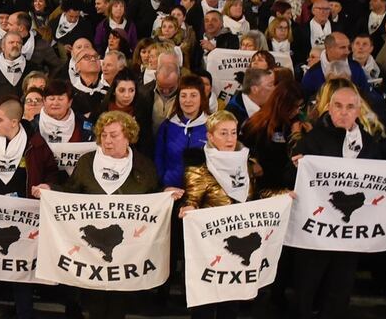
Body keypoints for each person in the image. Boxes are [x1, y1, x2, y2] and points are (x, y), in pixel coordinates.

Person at [34, 111, 183, 319]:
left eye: (114, 135)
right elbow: (71, 192)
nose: (107, 140)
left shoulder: (143, 165)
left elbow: (151, 199)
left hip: (127, 254)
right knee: (95, 305)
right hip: (90, 254)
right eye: (103, 135)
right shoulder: (87, 162)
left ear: (128, 136)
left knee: (118, 306)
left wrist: (165, 195)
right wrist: (50, 189)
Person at [290, 80, 381, 319]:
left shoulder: (369, 144)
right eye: (338, 106)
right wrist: (296, 168)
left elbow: (382, 181)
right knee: (308, 283)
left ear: (358, 110)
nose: (343, 112)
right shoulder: (312, 140)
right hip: (317, 230)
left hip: (349, 232)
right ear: (328, 109)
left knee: (341, 285)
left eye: (350, 107)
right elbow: (293, 180)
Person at [0, 97, 58, 319]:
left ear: (14, 122)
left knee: (21, 270)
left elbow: (52, 171)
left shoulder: (36, 144)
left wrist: (48, 185)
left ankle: (24, 313)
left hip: (23, 219)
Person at [178, 110, 257, 319]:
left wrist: (283, 195)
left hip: (237, 242)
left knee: (231, 304)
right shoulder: (199, 169)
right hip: (209, 246)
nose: (230, 138)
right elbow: (192, 200)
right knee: (205, 303)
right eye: (223, 133)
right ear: (211, 137)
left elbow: (255, 197)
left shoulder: (246, 164)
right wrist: (190, 208)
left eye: (233, 132)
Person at [155, 75, 210, 188]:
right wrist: (163, 183)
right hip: (170, 191)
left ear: (202, 98)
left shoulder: (212, 126)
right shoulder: (167, 126)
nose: (188, 100)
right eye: (183, 96)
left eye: (193, 95)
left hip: (201, 194)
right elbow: (158, 158)